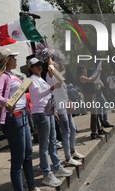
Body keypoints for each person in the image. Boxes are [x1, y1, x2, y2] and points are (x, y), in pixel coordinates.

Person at [0, 48, 40, 191]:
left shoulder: (12, 74)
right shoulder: (1, 75)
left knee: (28, 153)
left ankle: (31, 187)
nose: (16, 59)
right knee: (18, 157)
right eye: (14, 57)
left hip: (22, 116)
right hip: (13, 118)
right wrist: (6, 102)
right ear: (7, 60)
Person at [29, 57, 72, 187]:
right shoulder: (31, 80)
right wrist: (52, 87)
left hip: (47, 111)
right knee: (45, 144)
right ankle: (46, 173)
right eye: (36, 65)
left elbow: (47, 96)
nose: (39, 67)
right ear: (31, 68)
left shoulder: (40, 78)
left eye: (40, 65)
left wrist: (53, 111)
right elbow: (40, 94)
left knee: (52, 141)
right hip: (40, 113)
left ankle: (57, 167)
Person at [45, 59, 85, 167]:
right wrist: (49, 58)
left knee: (72, 129)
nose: (55, 63)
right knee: (66, 131)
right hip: (59, 108)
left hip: (66, 105)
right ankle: (68, 157)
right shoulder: (50, 75)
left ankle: (72, 151)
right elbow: (52, 67)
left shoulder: (58, 75)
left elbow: (63, 71)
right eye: (53, 62)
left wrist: (69, 100)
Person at [76, 65, 104, 140]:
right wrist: (98, 72)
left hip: (92, 95)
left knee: (96, 113)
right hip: (88, 97)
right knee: (94, 114)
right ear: (82, 69)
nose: (86, 70)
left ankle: (99, 129)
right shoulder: (81, 77)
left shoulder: (84, 76)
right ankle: (93, 132)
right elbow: (92, 80)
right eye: (85, 69)